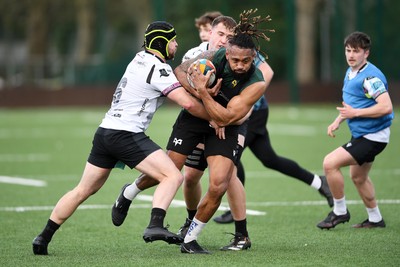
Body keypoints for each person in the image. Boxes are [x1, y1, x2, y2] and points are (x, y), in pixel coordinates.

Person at [31, 21, 214, 256]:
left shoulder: (139, 59)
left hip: (105, 132)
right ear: (162, 42)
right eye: (173, 40)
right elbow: (187, 103)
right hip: (125, 133)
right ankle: (155, 225)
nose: (176, 45)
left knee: (83, 189)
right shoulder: (158, 68)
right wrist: (215, 116)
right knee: (172, 176)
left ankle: (43, 237)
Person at [317, 31, 393, 230]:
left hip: (373, 137)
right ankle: (375, 219)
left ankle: (339, 212)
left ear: (366, 53)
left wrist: (355, 114)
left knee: (329, 163)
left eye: (356, 51)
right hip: (363, 134)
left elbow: (386, 107)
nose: (351, 55)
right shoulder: (351, 71)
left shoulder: (370, 77)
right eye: (348, 50)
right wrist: (338, 120)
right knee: (358, 177)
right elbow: (352, 105)